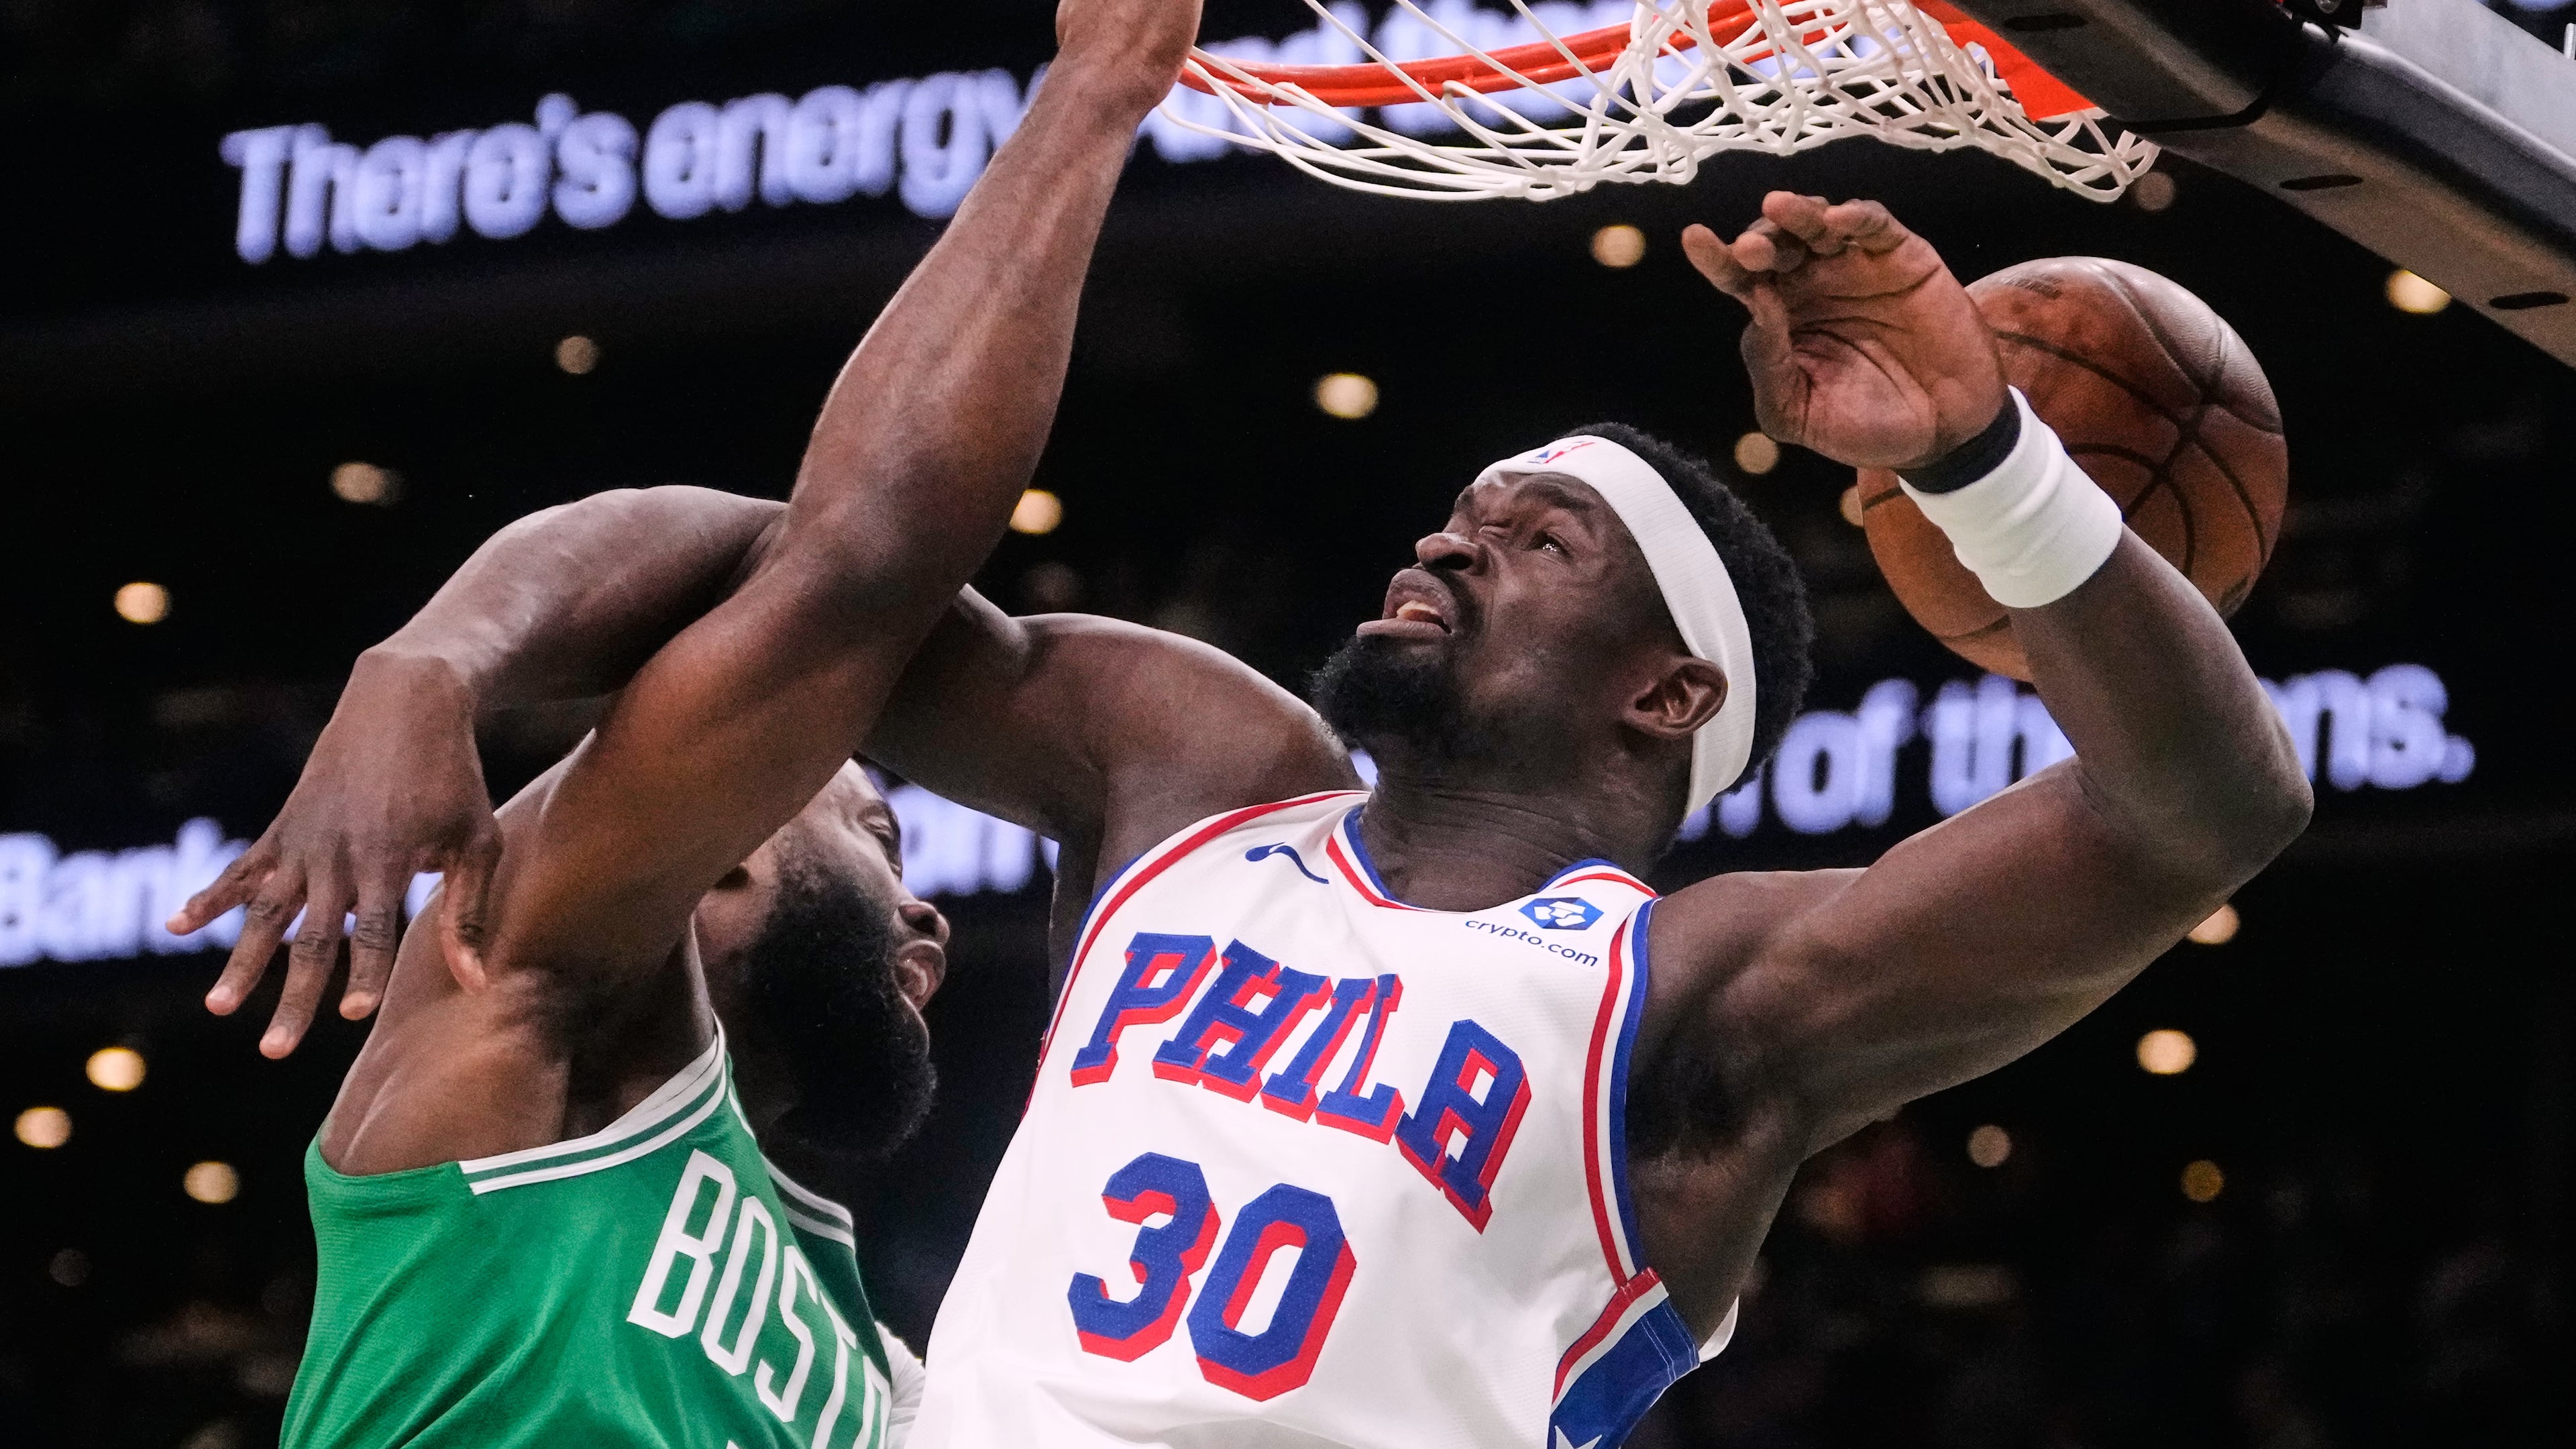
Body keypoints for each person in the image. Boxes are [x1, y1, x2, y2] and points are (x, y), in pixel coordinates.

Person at [235, 58, 2312, 1449]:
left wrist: (1983, 462)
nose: (1446, 536)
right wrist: (441, 658)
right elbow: (820, 569)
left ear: (1666, 694)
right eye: (1462, 505)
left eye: (1537, 533)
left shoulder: (1695, 995)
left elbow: (2200, 812)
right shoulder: (1208, 785)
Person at [164, 2, 1205, 1444]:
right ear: (719, 860)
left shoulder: (878, 1376)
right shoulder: (517, 1015)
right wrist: (431, 664)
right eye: (875, 822)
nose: (931, 921)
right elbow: (849, 562)